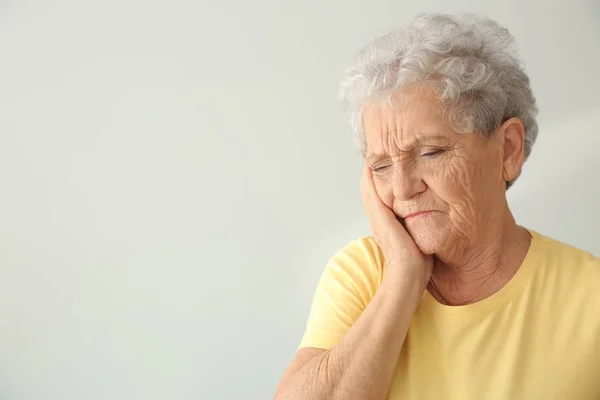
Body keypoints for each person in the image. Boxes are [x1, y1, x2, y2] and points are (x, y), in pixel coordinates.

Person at [274, 13, 600, 400]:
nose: (401, 188)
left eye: (431, 152)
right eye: (381, 166)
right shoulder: (361, 274)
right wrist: (402, 277)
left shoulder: (589, 294)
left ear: (508, 150)